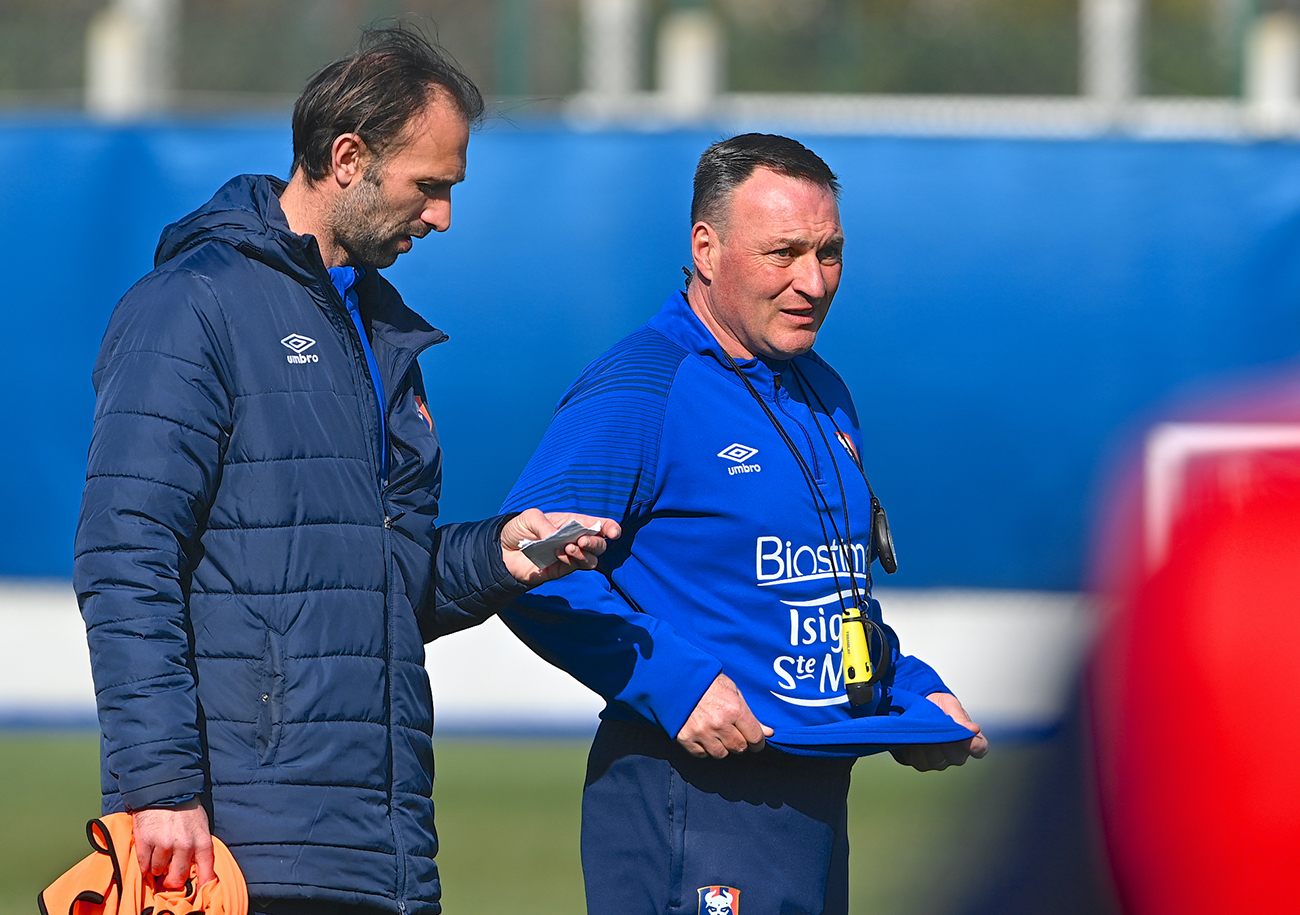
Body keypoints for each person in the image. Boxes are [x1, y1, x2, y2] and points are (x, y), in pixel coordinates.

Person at [73, 25, 617, 915]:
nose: (442, 215)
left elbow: (371, 584)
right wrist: (160, 786)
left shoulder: (381, 332)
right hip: (241, 847)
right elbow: (125, 558)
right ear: (348, 157)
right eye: (429, 186)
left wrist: (503, 556)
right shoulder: (192, 303)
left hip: (383, 853)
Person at [499, 133, 989, 915]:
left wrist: (907, 693)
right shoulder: (645, 385)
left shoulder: (820, 389)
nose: (813, 280)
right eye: (783, 252)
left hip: (816, 801)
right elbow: (525, 566)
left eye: (829, 252)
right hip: (693, 803)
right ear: (706, 246)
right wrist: (679, 683)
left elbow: (824, 592)